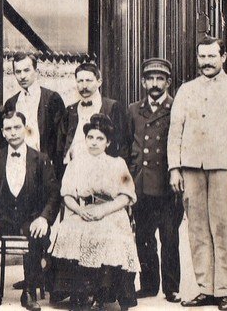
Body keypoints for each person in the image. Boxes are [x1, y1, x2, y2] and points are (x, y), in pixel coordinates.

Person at [169, 38, 227, 311]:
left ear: (224, 57)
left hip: (225, 170)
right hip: (191, 169)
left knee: (224, 230)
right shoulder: (186, 90)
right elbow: (175, 131)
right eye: (202, 57)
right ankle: (205, 288)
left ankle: (225, 290)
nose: (206, 62)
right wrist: (174, 168)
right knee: (197, 230)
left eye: (212, 56)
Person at [49, 114, 140, 311]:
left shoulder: (117, 163)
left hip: (111, 211)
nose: (94, 142)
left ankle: (103, 293)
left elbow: (126, 196)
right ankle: (80, 294)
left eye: (100, 138)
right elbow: (67, 195)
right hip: (83, 210)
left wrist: (103, 210)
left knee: (106, 234)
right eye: (90, 137)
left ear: (108, 142)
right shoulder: (76, 163)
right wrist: (79, 210)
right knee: (69, 230)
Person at [0, 111, 59, 311]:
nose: (13, 132)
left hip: (31, 217)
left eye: (17, 127)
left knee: (37, 233)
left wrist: (44, 218)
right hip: (2, 217)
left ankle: (29, 291)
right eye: (8, 128)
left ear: (25, 129)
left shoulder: (40, 159)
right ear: (2, 132)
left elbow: (54, 193)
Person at [127, 58, 181, 303]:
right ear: (143, 82)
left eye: (160, 79)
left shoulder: (176, 107)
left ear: (168, 82)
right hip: (141, 184)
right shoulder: (133, 110)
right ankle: (149, 285)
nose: (155, 84)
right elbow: (127, 145)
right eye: (150, 79)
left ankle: (172, 287)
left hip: (168, 185)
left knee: (169, 238)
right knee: (144, 237)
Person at [56, 62, 130, 174]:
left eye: (88, 81)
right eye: (80, 81)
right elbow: (61, 145)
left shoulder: (112, 107)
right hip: (74, 170)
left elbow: (123, 145)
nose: (84, 86)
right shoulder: (70, 110)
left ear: (99, 81)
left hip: (103, 170)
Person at [2, 53, 64, 172]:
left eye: (26, 70)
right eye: (18, 72)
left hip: (45, 165)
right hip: (19, 165)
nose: (22, 76)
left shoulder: (52, 98)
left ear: (36, 71)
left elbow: (60, 138)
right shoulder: (11, 103)